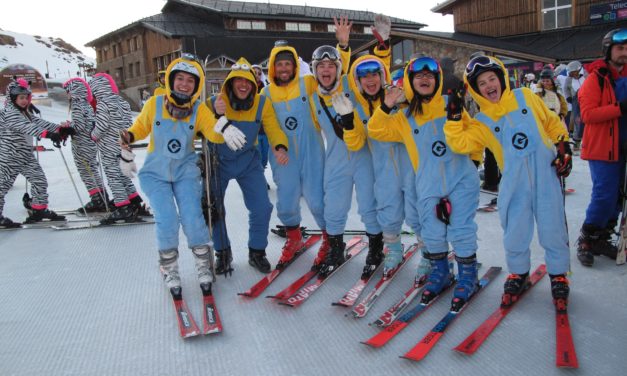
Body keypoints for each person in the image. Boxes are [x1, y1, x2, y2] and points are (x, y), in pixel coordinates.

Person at [444, 55, 572, 310]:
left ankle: (559, 274)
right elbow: (460, 143)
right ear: (477, 90)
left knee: (553, 227)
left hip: (545, 174)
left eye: (492, 78)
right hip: (514, 183)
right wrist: (455, 117)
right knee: (515, 229)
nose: (489, 85)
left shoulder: (525, 96)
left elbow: (551, 122)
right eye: (482, 83)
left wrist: (563, 145)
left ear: (501, 78)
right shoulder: (482, 122)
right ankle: (518, 272)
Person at [368, 56, 481, 310]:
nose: (424, 79)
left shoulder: (449, 104)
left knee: (461, 229)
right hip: (428, 182)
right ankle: (441, 272)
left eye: (430, 76)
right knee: (432, 232)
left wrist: (474, 160)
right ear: (410, 82)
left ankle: (468, 276)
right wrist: (386, 106)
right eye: (418, 76)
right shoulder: (403, 117)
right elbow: (376, 130)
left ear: (437, 80)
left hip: (461, 178)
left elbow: (472, 131)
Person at [260, 16, 351, 269]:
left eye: (288, 63)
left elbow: (332, 75)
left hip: (312, 152)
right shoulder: (265, 94)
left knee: (317, 199)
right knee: (286, 199)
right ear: (273, 69)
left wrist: (342, 47)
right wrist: (278, 147)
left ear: (295, 66)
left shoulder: (307, 83)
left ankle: (329, 239)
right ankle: (294, 237)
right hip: (283, 156)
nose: (285, 68)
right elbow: (270, 124)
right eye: (280, 65)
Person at [120, 54, 215, 290]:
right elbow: (141, 127)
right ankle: (169, 267)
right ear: (171, 80)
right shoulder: (155, 104)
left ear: (197, 85)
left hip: (185, 172)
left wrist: (222, 124)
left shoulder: (199, 110)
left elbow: (213, 132)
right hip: (156, 174)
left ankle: (204, 264)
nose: (184, 84)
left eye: (190, 80)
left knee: (193, 218)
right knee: (167, 220)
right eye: (179, 78)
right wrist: (127, 138)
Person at [204, 57, 290, 275]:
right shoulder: (216, 101)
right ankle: (222, 253)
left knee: (262, 207)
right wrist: (215, 112)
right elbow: (199, 129)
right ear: (230, 83)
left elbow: (273, 128)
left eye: (248, 81)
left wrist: (280, 146)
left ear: (254, 84)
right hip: (217, 162)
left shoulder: (262, 103)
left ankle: (257, 251)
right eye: (238, 81)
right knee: (213, 210)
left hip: (248, 161)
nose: (243, 85)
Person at [307, 43, 382, 276]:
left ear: (339, 68)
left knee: (369, 205)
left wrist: (347, 45)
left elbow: (376, 72)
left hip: (364, 156)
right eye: (321, 66)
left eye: (331, 65)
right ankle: (336, 249)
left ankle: (376, 248)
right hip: (336, 159)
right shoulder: (313, 99)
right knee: (334, 207)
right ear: (315, 70)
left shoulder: (352, 83)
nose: (326, 70)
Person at [576, 28, 627, 266]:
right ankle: (587, 238)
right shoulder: (595, 78)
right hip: (603, 148)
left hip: (623, 147)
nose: (624, 53)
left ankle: (602, 236)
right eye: (620, 48)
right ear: (608, 51)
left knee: (618, 197)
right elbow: (587, 114)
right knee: (604, 195)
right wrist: (620, 107)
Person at [0, 79, 69, 227]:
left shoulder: (24, 113)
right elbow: (28, 128)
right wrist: (49, 135)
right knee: (2, 186)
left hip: (24, 156)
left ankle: (39, 210)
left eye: (26, 98)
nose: (25, 101)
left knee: (40, 181)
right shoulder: (9, 113)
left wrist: (59, 129)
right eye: (21, 98)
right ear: (13, 99)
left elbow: (39, 123)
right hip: (10, 156)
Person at [90, 73, 147, 224]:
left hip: (109, 145)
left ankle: (122, 207)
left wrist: (94, 135)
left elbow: (101, 125)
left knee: (113, 177)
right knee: (123, 174)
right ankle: (134, 201)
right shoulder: (122, 102)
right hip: (123, 144)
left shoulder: (103, 104)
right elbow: (129, 122)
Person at [63, 77, 109, 212]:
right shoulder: (87, 104)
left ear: (74, 91)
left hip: (82, 145)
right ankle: (102, 195)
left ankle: (97, 199)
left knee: (86, 171)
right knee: (92, 169)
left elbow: (79, 125)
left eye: (68, 91)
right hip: (90, 142)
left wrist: (68, 126)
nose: (67, 95)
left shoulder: (77, 105)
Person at [252, 64, 271, 177]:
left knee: (265, 157)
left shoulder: (266, 89)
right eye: (255, 73)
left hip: (266, 129)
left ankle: (261, 174)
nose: (257, 76)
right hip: (255, 131)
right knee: (257, 155)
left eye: (259, 73)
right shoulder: (247, 89)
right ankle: (260, 179)